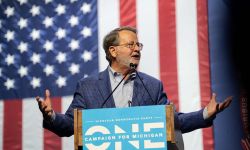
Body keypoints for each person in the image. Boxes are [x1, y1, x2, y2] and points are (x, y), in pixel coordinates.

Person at [36, 26, 232, 148]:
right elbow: (71, 125)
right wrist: (51, 116)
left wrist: (205, 113)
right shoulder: (87, 86)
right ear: (113, 51)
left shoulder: (152, 86)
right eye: (131, 45)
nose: (137, 49)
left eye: (139, 45)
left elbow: (172, 121)